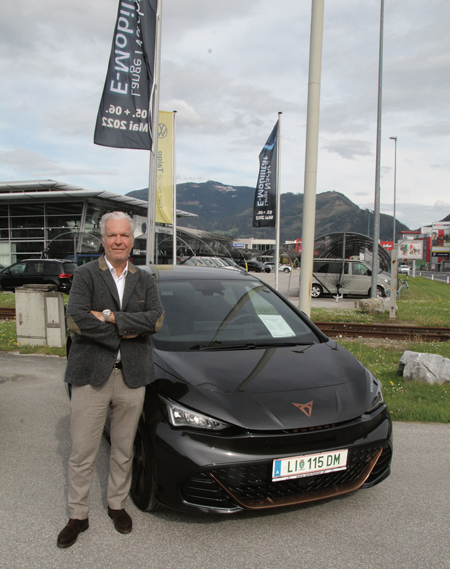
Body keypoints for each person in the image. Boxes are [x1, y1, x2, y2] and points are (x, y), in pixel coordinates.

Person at [57, 211, 164, 548]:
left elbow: (156, 320)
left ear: (133, 241)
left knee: (123, 448)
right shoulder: (86, 274)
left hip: (131, 377)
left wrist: (108, 317)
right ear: (102, 239)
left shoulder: (145, 278)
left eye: (125, 236)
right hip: (91, 376)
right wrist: (127, 329)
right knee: (82, 450)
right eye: (113, 235)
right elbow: (76, 319)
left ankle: (116, 505)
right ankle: (78, 514)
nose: (119, 241)